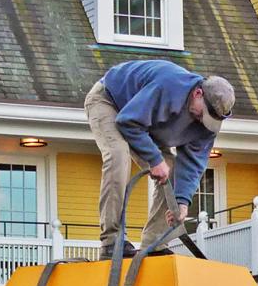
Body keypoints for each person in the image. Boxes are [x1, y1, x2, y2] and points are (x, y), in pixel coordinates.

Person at [85, 59, 235, 254]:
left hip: (144, 124)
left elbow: (193, 164)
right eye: (203, 113)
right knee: (118, 154)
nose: (202, 121)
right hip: (109, 100)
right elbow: (128, 122)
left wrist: (181, 202)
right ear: (198, 93)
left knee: (170, 168)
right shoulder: (169, 84)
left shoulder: (208, 125)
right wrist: (155, 160)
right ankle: (111, 241)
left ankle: (154, 244)